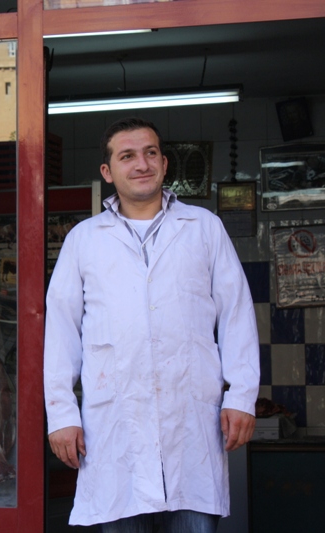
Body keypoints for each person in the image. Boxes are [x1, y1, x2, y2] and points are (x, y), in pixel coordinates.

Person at [43, 117, 260, 532]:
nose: (141, 164)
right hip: (115, 428)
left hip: (191, 425)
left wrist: (242, 396)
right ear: (108, 172)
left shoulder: (203, 228)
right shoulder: (84, 240)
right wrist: (61, 415)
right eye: (127, 156)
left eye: (150, 153)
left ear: (163, 163)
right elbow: (61, 333)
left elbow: (237, 313)